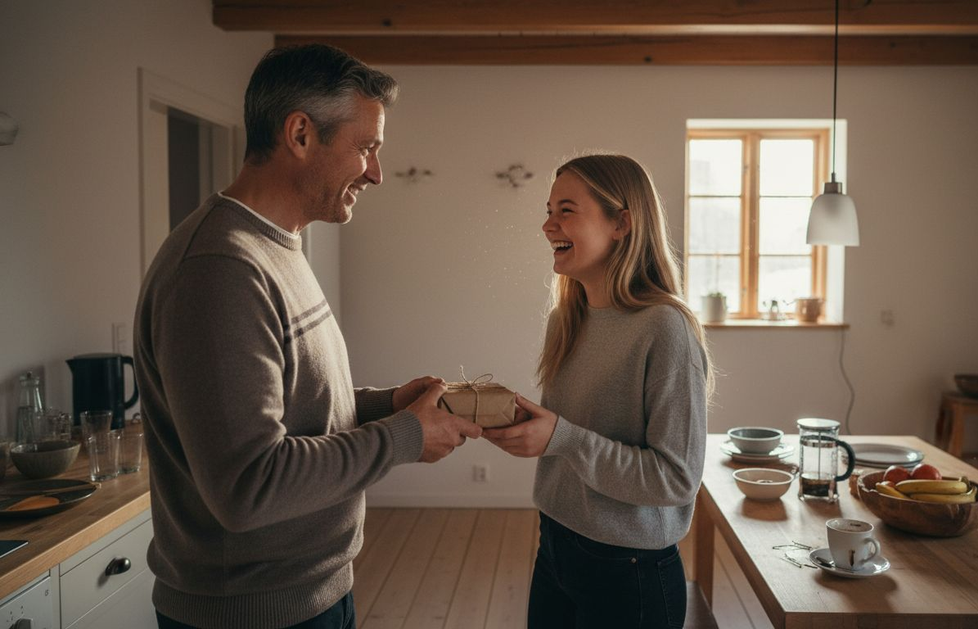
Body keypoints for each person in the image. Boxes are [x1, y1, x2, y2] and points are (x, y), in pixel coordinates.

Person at [133, 44, 481, 629]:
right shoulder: (218, 269)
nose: (375, 172)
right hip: (252, 615)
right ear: (300, 134)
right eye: (366, 148)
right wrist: (404, 437)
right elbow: (249, 485)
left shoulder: (276, 245)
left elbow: (286, 409)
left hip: (311, 595)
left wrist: (385, 405)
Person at [484, 154, 711, 628]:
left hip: (629, 572)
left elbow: (675, 479)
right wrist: (525, 424)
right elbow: (570, 436)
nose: (548, 225)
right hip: (556, 546)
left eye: (566, 210)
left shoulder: (665, 329)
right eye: (548, 210)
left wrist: (560, 437)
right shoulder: (567, 320)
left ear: (622, 223)